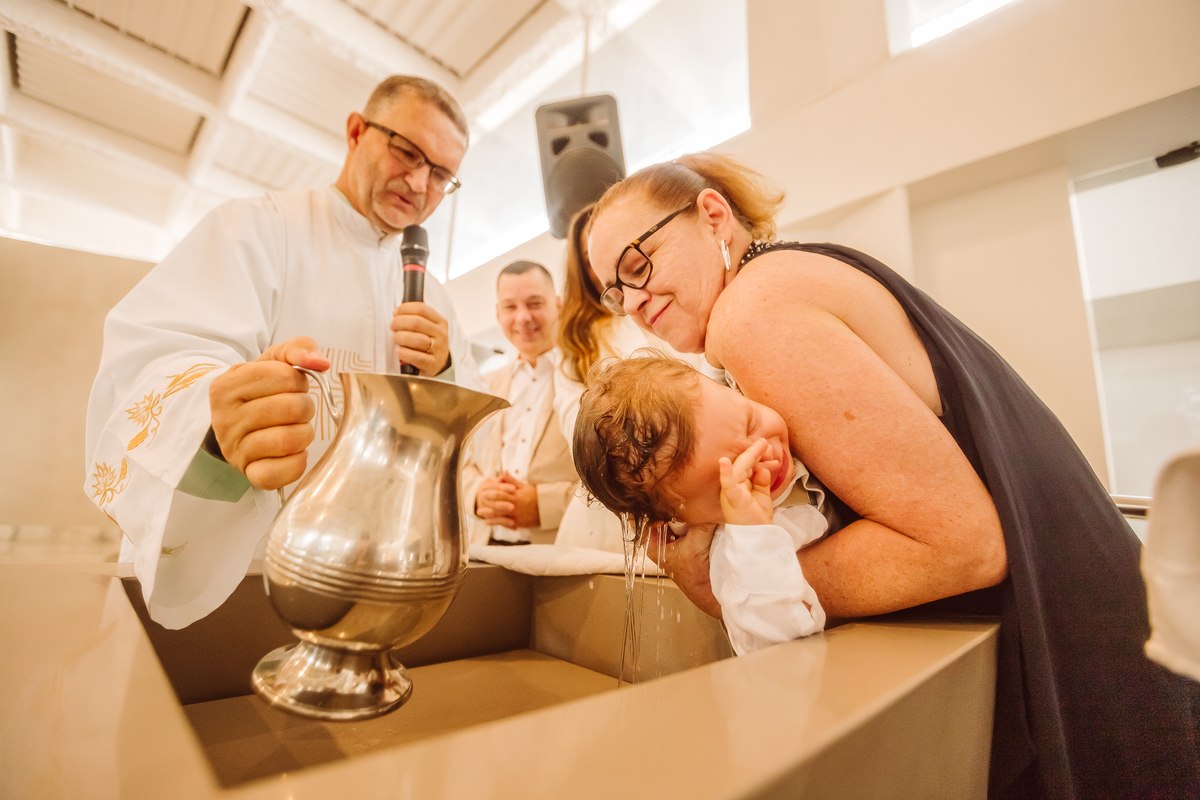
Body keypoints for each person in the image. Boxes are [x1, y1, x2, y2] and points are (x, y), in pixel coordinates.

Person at [582, 152, 1200, 799]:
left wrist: (729, 589)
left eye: (637, 265)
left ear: (712, 215)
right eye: (615, 291)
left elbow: (961, 545)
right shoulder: (791, 274)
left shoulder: (752, 313)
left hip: (1069, 637)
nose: (634, 301)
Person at [85, 75, 485, 630]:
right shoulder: (257, 227)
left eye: (441, 174)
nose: (420, 183)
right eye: (407, 152)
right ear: (356, 132)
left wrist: (445, 370)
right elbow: (154, 356)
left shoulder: (432, 295)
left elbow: (475, 433)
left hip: (376, 580)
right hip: (248, 572)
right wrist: (218, 419)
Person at [577, 353, 835, 655]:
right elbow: (778, 652)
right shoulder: (731, 551)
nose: (765, 454)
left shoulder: (722, 416)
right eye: (732, 477)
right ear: (675, 516)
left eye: (750, 423)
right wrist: (754, 535)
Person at [549, 205, 649, 553]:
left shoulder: (667, 307)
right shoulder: (578, 339)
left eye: (614, 248)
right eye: (590, 258)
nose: (605, 265)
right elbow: (574, 422)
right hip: (608, 504)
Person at [462, 260, 580, 546]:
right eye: (510, 307)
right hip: (485, 549)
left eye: (535, 303)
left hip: (556, 552)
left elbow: (614, 481)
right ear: (498, 313)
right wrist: (476, 493)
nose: (523, 317)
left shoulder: (588, 379)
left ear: (558, 304)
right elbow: (461, 462)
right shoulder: (485, 385)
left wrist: (543, 506)